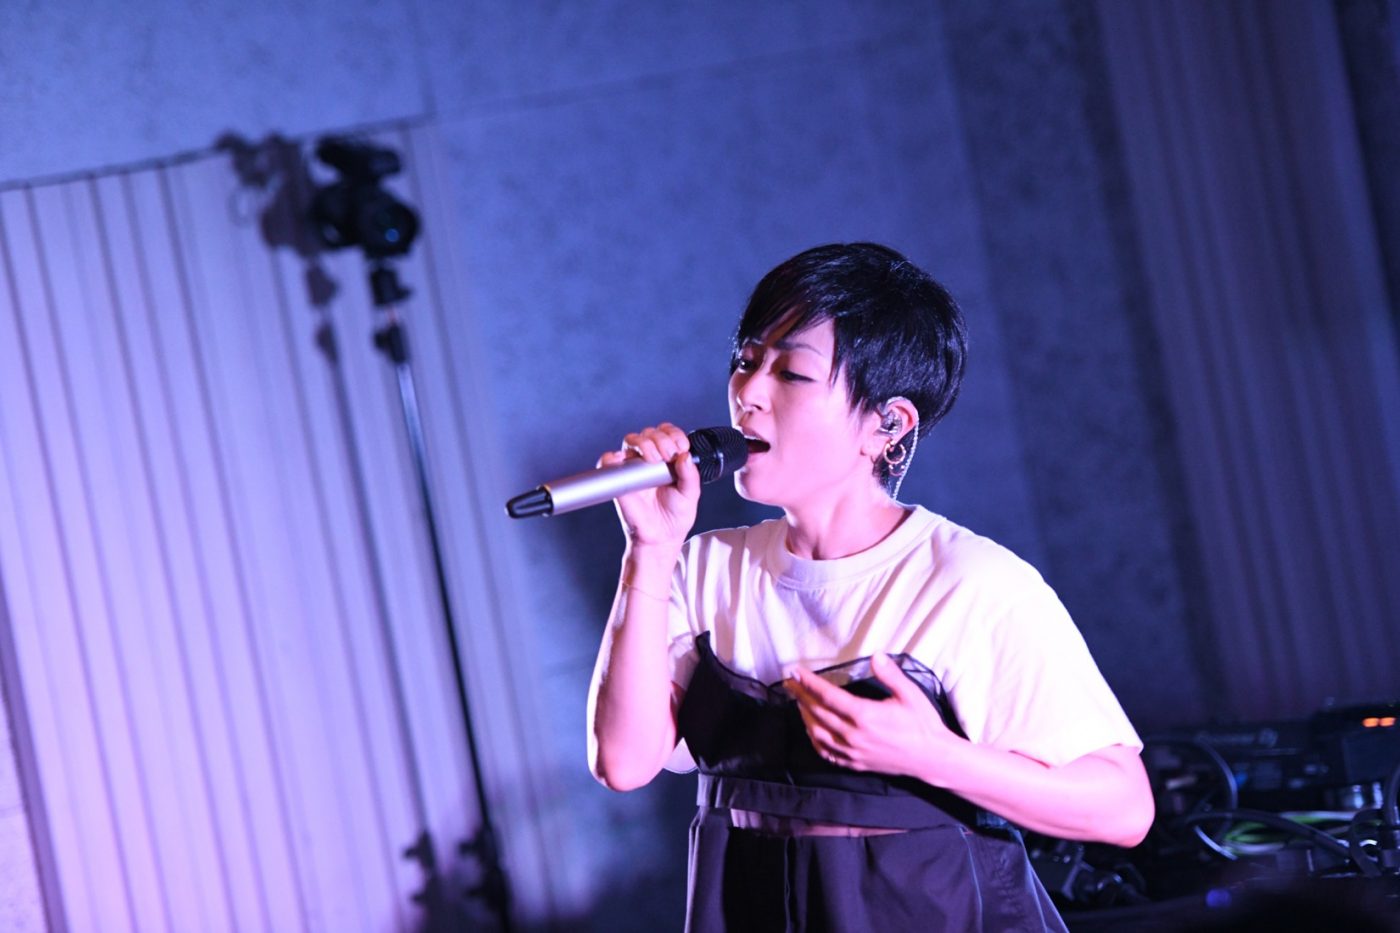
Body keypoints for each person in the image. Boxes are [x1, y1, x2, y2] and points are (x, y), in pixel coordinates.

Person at [586, 243, 1154, 932]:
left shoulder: (968, 580)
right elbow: (622, 762)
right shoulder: (702, 567)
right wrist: (649, 549)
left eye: (791, 372)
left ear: (887, 424)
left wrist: (935, 756)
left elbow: (1124, 807)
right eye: (745, 359)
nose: (748, 393)